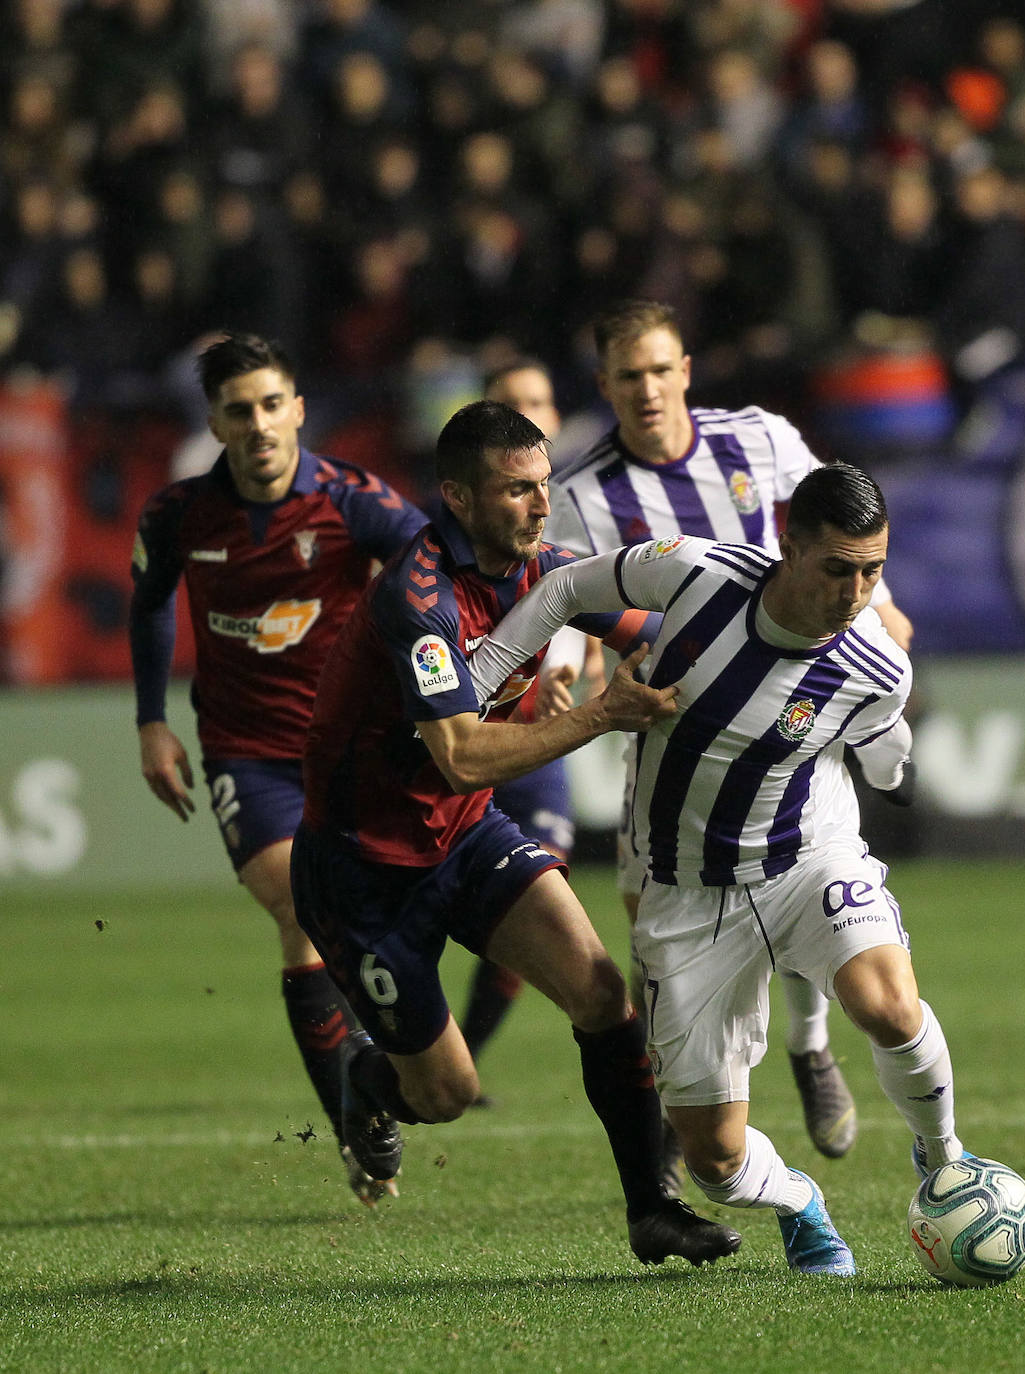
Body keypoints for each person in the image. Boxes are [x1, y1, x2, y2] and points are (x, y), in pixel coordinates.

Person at [468, 461, 1025, 1273]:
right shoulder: (696, 573)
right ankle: (800, 1201)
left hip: (805, 860)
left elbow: (885, 744)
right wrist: (486, 670)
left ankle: (944, 1157)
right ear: (788, 547)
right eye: (837, 569)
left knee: (887, 1006)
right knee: (711, 1159)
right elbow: (567, 587)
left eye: (872, 571)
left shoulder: (876, 665)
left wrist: (898, 775)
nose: (855, 592)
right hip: (685, 893)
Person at [289, 399, 742, 1268]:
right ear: (457, 497)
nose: (539, 507)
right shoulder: (414, 600)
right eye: (515, 492)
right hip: (362, 874)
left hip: (463, 838)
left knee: (602, 997)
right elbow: (459, 755)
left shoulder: (552, 571)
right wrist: (605, 710)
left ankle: (653, 1208)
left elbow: (668, 633)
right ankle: (369, 1081)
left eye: (542, 487)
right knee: (448, 1093)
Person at [546, 297, 914, 1171]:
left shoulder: (759, 439)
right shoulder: (581, 496)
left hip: (800, 699)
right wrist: (564, 660)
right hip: (677, 723)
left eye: (661, 370)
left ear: (685, 371)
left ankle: (810, 1045)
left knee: (796, 874)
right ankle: (684, 1083)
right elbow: (570, 596)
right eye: (627, 376)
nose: (647, 390)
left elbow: (840, 525)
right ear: (604, 385)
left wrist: (885, 611)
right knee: (654, 913)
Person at [128, 331, 427, 1204]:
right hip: (245, 751)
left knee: (366, 919)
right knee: (300, 909)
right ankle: (356, 1116)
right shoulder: (177, 515)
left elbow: (434, 572)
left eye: (270, 405)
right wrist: (151, 720)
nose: (257, 425)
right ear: (215, 424)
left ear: (297, 407)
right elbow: (148, 607)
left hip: (351, 747)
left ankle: (366, 1091)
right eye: (237, 411)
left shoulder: (352, 501)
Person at [458, 358, 586, 1094]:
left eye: (539, 401)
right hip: (463, 730)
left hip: (540, 729)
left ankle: (464, 1060)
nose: (528, 413)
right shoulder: (459, 517)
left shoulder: (579, 502)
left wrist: (580, 665)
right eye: (511, 404)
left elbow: (596, 593)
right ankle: (400, 1053)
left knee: (537, 895)